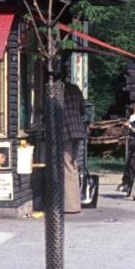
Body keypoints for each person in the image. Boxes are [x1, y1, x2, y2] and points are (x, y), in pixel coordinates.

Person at [62, 71, 89, 213]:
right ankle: (75, 202)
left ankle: (70, 206)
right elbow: (83, 110)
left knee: (66, 166)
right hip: (78, 130)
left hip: (64, 131)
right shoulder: (74, 89)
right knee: (73, 164)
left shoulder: (54, 91)